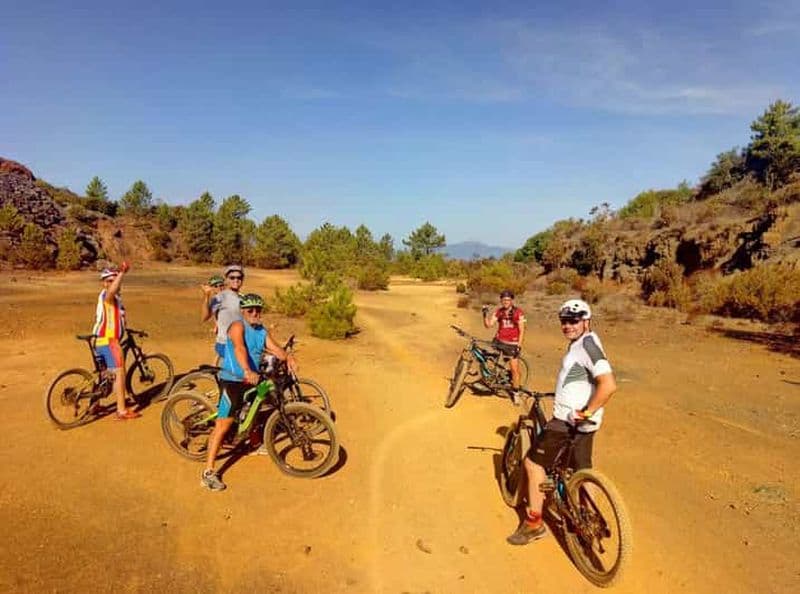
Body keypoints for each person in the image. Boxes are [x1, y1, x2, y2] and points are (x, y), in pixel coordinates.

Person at [507, 298, 617, 545]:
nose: (568, 325)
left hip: (568, 422)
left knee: (534, 464)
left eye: (574, 321)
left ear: (586, 321)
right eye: (564, 321)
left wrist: (586, 411)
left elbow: (608, 385)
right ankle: (588, 518)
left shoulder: (587, 346)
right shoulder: (587, 341)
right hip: (585, 425)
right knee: (581, 470)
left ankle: (534, 523)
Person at [201, 293, 298, 491]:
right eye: (250, 310)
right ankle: (208, 473)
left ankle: (253, 443)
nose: (255, 313)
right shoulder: (237, 326)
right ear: (243, 311)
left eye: (258, 310)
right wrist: (246, 369)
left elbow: (274, 349)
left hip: (252, 377)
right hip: (233, 379)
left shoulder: (261, 330)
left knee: (258, 405)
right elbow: (239, 349)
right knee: (224, 424)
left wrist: (288, 357)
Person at [92, 263, 141, 420]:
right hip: (109, 341)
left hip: (99, 341)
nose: (112, 283)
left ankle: (94, 405)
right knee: (119, 373)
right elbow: (112, 291)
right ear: (104, 283)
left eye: (114, 280)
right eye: (109, 280)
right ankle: (121, 410)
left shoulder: (116, 300)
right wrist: (121, 273)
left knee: (103, 374)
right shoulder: (107, 296)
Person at [482, 289, 526, 404]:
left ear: (512, 300)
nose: (506, 302)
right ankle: (493, 379)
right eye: (504, 300)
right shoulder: (499, 312)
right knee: (490, 361)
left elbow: (522, 330)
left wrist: (519, 346)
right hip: (499, 341)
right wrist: (485, 314)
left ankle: (516, 393)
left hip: (512, 344)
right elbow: (488, 325)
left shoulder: (518, 312)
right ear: (501, 301)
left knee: (514, 370)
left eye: (508, 300)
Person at [201, 265, 245, 362]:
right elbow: (205, 317)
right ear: (227, 280)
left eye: (239, 277)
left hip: (242, 342)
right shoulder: (221, 297)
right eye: (232, 277)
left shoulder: (243, 298)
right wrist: (206, 296)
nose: (236, 280)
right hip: (226, 343)